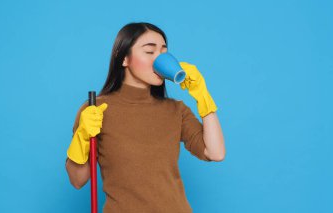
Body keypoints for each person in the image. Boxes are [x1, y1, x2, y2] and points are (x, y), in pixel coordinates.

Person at [65, 22, 225, 213]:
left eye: (163, 52)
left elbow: (215, 153)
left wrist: (203, 96)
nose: (159, 59)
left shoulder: (176, 110)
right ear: (124, 58)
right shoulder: (95, 109)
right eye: (150, 52)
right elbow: (77, 180)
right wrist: (81, 137)